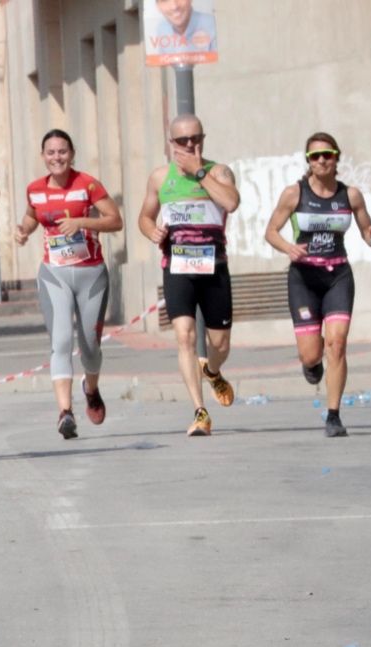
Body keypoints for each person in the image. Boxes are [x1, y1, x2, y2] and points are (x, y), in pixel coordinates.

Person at [264, 131, 371, 438]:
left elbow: (365, 230)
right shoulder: (294, 194)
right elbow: (271, 231)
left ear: (336, 158)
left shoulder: (351, 195)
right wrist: (288, 248)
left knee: (337, 343)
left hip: (337, 276)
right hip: (304, 279)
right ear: (308, 161)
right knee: (311, 354)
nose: (322, 160)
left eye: (327, 155)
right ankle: (311, 366)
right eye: (315, 156)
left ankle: (333, 415)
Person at [13, 130, 123, 440]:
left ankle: (91, 387)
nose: (57, 158)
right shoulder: (35, 189)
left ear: (71, 154)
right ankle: (65, 412)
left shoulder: (87, 184)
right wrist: (23, 230)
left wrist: (83, 223)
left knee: (89, 347)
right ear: (43, 156)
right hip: (54, 274)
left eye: (62, 152)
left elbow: (115, 220)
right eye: (51, 152)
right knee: (60, 341)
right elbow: (33, 216)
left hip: (90, 275)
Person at [136, 115, 241, 437]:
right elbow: (144, 217)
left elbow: (231, 202)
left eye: (196, 138)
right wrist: (152, 231)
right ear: (172, 144)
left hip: (213, 267)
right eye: (183, 141)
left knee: (219, 342)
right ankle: (200, 412)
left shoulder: (218, 171)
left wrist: (198, 171)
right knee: (184, 336)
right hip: (178, 266)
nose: (190, 145)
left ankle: (212, 369)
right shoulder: (159, 177)